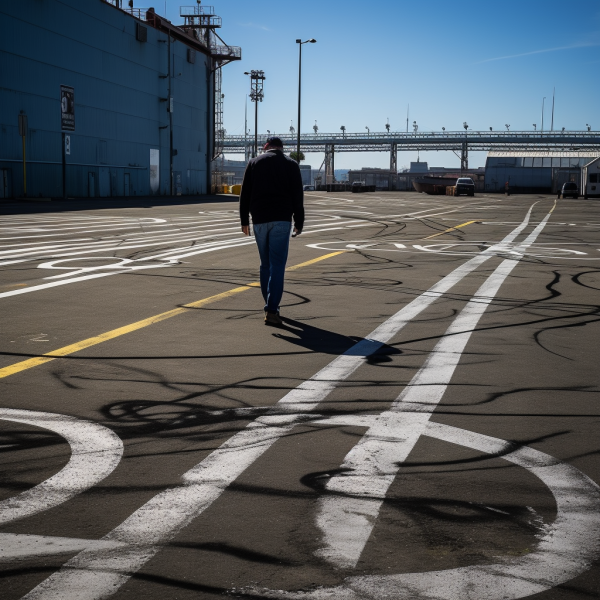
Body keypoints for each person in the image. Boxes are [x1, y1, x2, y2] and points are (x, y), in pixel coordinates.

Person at [239, 136, 305, 326]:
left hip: (259, 220)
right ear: (282, 149)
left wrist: (244, 220)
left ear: (266, 147)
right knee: (277, 265)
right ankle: (271, 309)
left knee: (265, 264)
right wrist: (299, 222)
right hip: (282, 220)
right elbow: (297, 196)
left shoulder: (254, 163)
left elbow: (245, 194)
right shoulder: (291, 165)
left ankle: (270, 305)